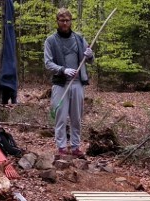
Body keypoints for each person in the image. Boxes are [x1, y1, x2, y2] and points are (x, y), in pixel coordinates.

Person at [44, 8, 94, 157]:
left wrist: (90, 55)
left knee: (76, 117)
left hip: (78, 83)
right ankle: (61, 147)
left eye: (67, 20)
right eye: (62, 20)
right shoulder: (51, 41)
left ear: (71, 21)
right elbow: (48, 63)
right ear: (57, 21)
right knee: (60, 116)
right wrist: (63, 70)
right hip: (61, 84)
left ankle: (76, 147)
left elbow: (90, 60)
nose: (65, 23)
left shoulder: (79, 38)